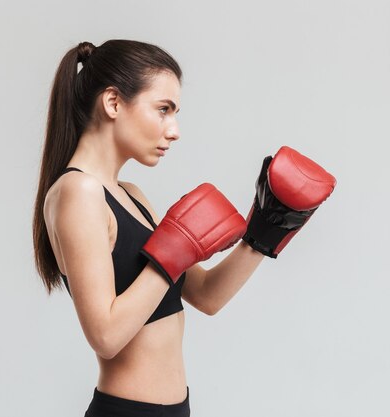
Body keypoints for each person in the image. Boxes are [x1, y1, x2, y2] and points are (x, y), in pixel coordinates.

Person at [32, 39, 336, 417]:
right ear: (113, 103)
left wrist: (264, 231)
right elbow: (105, 335)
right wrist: (171, 254)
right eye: (163, 110)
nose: (174, 130)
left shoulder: (132, 195)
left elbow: (206, 296)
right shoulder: (78, 191)